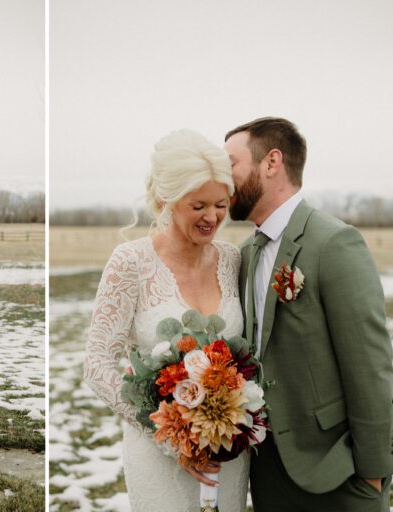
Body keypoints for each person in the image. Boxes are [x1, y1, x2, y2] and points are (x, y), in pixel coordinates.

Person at [225, 117, 393, 511]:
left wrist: (374, 474)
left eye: (230, 163)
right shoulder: (245, 255)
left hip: (337, 471)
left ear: (271, 162)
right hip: (267, 474)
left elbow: (370, 366)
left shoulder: (334, 243)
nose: (221, 176)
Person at [83, 129, 248, 511]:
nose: (213, 217)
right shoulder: (131, 263)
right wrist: (174, 438)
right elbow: (96, 365)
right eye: (199, 206)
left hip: (227, 454)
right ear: (165, 200)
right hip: (159, 454)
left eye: (221, 204)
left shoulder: (231, 260)